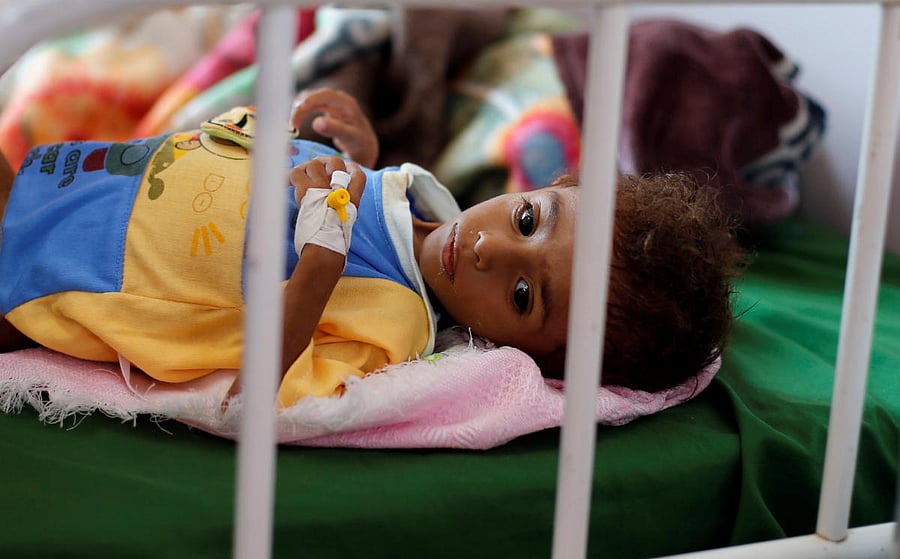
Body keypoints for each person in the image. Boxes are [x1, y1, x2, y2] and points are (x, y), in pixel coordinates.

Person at [0, 88, 743, 407]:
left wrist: (320, 264)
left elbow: (259, 391)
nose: (490, 252)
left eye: (524, 296)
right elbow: (355, 191)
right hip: (104, 179)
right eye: (526, 221)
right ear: (552, 183)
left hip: (83, 270)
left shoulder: (397, 326)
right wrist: (359, 149)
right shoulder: (417, 190)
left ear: (528, 356)